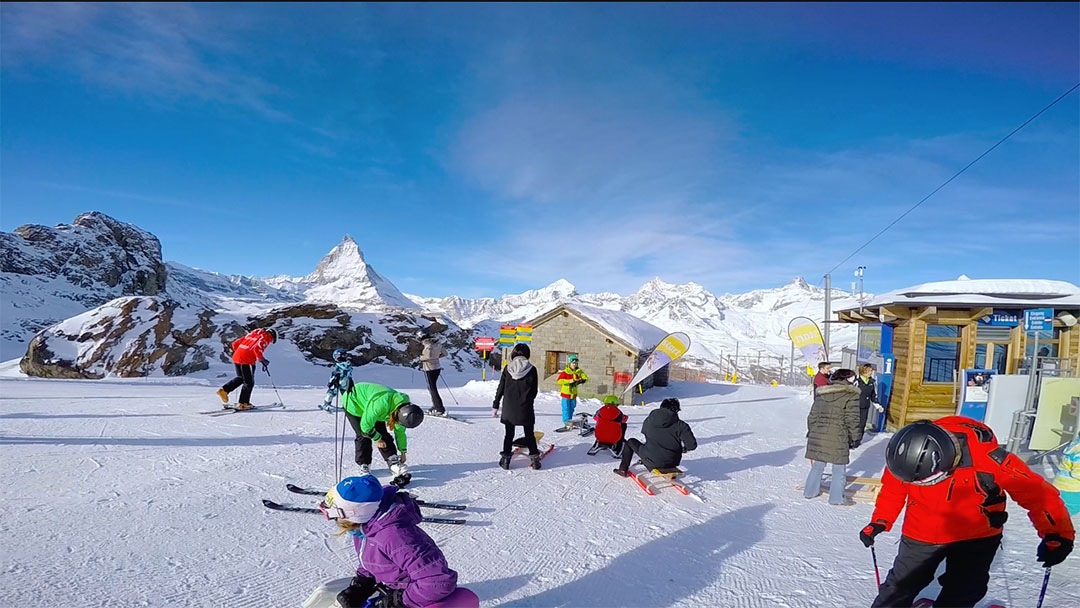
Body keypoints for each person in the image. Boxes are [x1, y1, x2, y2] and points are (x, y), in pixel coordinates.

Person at [860, 417, 1075, 607]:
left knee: (964, 590)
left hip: (976, 536)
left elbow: (1037, 494)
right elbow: (892, 491)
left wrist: (1056, 533)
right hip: (921, 533)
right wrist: (880, 520)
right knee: (899, 586)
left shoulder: (990, 459)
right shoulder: (906, 454)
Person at [325, 475, 479, 608]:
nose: (332, 520)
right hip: (397, 587)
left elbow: (436, 580)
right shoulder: (365, 528)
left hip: (415, 594)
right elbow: (371, 557)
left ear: (354, 515)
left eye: (333, 514)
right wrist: (363, 583)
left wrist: (399, 601)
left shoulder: (396, 537)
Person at [803, 368, 862, 505]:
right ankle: (836, 498)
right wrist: (855, 437)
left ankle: (809, 492)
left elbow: (812, 416)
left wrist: (812, 431)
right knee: (839, 467)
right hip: (838, 434)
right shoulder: (851, 395)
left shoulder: (822, 394)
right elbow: (852, 419)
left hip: (818, 432)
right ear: (847, 379)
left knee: (818, 464)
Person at [341, 382, 425, 479]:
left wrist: (403, 451)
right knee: (363, 435)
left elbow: (400, 432)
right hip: (354, 403)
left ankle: (392, 460)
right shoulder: (380, 406)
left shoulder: (402, 410)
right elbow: (365, 427)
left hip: (372, 406)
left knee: (382, 433)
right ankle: (364, 464)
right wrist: (376, 438)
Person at [613, 398, 696, 477]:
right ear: (676, 410)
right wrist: (683, 449)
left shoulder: (650, 419)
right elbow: (691, 446)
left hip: (651, 460)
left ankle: (623, 469)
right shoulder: (681, 425)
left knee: (631, 442)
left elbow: (645, 432)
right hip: (672, 462)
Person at [492, 343, 541, 470]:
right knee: (529, 434)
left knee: (509, 434)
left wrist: (495, 405)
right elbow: (534, 390)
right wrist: (527, 400)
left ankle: (506, 460)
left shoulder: (508, 368)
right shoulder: (532, 369)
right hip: (526, 407)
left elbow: (501, 388)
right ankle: (535, 460)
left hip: (509, 407)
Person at [216, 327, 276, 410]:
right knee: (249, 382)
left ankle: (224, 390)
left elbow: (235, 344)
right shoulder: (266, 337)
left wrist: (241, 353)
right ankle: (243, 403)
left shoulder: (252, 334)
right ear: (272, 336)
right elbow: (257, 348)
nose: (270, 342)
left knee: (241, 378)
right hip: (247, 360)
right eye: (272, 340)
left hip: (237, 357)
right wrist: (262, 360)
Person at [556, 355, 588, 430]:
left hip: (573, 394)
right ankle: (566, 422)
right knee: (566, 408)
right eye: (573, 363)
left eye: (576, 363)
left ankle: (569, 421)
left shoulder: (579, 371)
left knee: (572, 408)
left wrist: (581, 381)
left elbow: (585, 378)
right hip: (566, 393)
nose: (574, 365)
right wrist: (569, 381)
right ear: (569, 363)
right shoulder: (565, 372)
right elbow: (559, 381)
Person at [419, 332, 447, 415]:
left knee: (432, 388)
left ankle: (439, 408)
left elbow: (427, 357)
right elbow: (445, 353)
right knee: (432, 387)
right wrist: (437, 357)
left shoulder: (428, 346)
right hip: (437, 367)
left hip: (429, 368)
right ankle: (436, 406)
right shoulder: (438, 344)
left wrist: (421, 358)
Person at [1053, 437, 1080, 515]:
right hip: (1072, 488)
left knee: (1062, 506)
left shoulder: (1074, 446)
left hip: (1061, 485)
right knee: (1073, 507)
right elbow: (1077, 473)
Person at [856, 363, 883, 432]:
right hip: (855, 406)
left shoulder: (871, 382)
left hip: (865, 407)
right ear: (863, 371)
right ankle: (851, 440)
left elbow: (873, 395)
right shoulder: (856, 382)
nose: (871, 373)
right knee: (854, 424)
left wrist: (878, 406)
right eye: (868, 371)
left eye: (871, 370)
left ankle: (858, 441)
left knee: (862, 424)